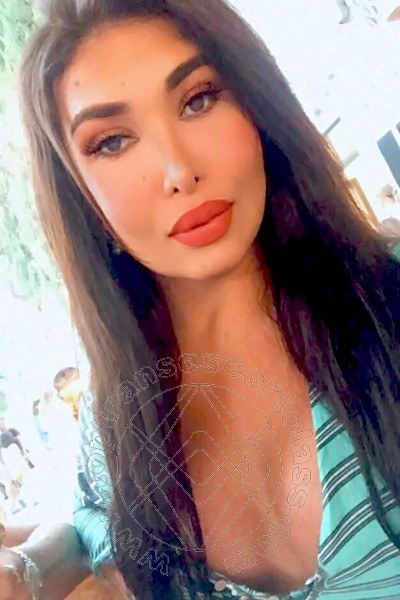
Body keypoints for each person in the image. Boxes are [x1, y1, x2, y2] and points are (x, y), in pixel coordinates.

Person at [1, 0, 400, 598]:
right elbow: (91, 521)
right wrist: (30, 567)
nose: (178, 170)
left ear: (255, 105)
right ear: (79, 195)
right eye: (112, 141)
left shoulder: (385, 298)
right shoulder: (118, 426)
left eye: (199, 99)